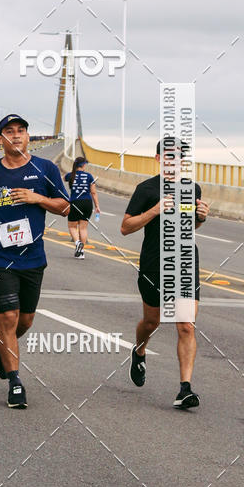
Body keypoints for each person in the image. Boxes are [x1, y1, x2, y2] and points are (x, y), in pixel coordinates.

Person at [0, 114, 69, 409]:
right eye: (9, 132)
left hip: (33, 258)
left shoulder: (45, 168)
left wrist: (38, 199)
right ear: (1, 139)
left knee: (25, 321)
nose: (15, 136)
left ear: (27, 136)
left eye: (21, 131)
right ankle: (15, 383)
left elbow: (64, 206)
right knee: (8, 318)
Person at [121, 139, 210, 409]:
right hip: (154, 264)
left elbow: (190, 224)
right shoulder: (146, 189)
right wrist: (154, 210)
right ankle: (139, 350)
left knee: (186, 325)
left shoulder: (191, 188)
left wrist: (201, 217)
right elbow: (126, 227)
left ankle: (185, 389)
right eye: (169, 156)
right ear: (159, 159)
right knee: (152, 322)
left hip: (184, 262)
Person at [64, 156, 100, 258]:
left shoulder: (70, 175)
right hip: (87, 203)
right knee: (83, 228)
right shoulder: (89, 176)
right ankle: (81, 252)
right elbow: (93, 192)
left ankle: (77, 243)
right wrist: (97, 206)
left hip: (75, 202)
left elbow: (60, 181)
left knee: (72, 226)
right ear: (83, 165)